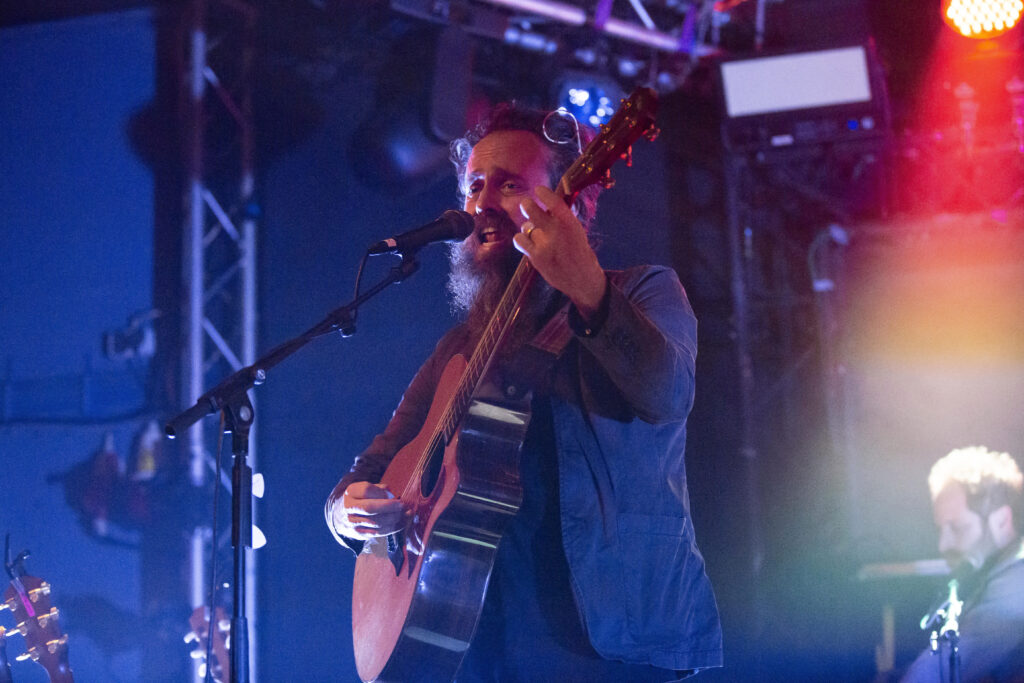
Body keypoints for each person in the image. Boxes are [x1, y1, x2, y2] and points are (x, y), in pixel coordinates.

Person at [325, 102, 722, 681]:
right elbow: (376, 464)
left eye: (509, 185)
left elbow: (667, 393)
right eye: (475, 185)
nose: (483, 202)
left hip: (613, 645)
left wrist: (587, 289)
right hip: (482, 645)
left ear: (575, 203)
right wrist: (347, 510)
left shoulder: (645, 291)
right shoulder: (459, 347)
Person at [902, 446, 1024, 683]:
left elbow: (941, 671)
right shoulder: (983, 577)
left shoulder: (1019, 578)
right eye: (941, 530)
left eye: (957, 528)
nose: (943, 544)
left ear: (1001, 521)